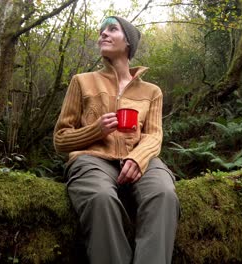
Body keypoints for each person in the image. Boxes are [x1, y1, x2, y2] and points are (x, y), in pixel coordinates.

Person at [53, 16, 180, 264]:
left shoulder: (152, 91)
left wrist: (138, 158)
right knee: (101, 198)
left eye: (112, 29)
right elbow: (60, 140)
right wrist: (95, 131)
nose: (103, 34)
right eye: (101, 31)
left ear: (129, 42)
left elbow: (154, 135)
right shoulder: (82, 81)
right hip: (92, 159)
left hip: (142, 161)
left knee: (164, 194)